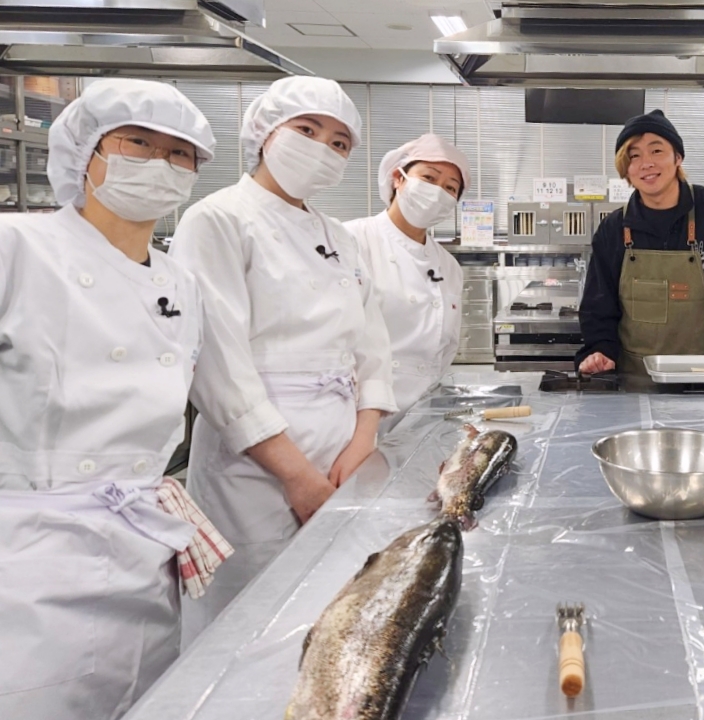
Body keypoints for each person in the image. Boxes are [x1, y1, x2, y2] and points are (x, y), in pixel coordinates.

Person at [0, 79, 215, 719]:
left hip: (144, 546)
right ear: (86, 153)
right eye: (138, 144)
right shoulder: (17, 247)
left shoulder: (180, 281)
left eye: (180, 154)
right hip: (30, 549)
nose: (161, 164)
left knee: (145, 697)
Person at [170, 76, 396, 641]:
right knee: (249, 620)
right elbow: (217, 362)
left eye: (339, 143)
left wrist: (363, 440)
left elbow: (371, 344)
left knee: (331, 609)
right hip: (255, 467)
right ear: (265, 133)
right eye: (307, 130)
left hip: (342, 451)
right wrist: (296, 475)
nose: (323, 148)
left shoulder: (338, 236)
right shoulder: (217, 219)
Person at [576, 109, 704, 377]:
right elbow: (598, 307)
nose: (646, 163)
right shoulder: (614, 229)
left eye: (656, 151)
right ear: (625, 168)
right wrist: (600, 352)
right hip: (633, 382)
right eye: (634, 155)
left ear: (678, 157)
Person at [345, 134, 468, 431]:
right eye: (429, 178)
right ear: (398, 178)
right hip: (352, 417)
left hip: (420, 420)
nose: (438, 192)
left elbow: (444, 352)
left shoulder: (448, 266)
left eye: (450, 188)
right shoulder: (351, 240)